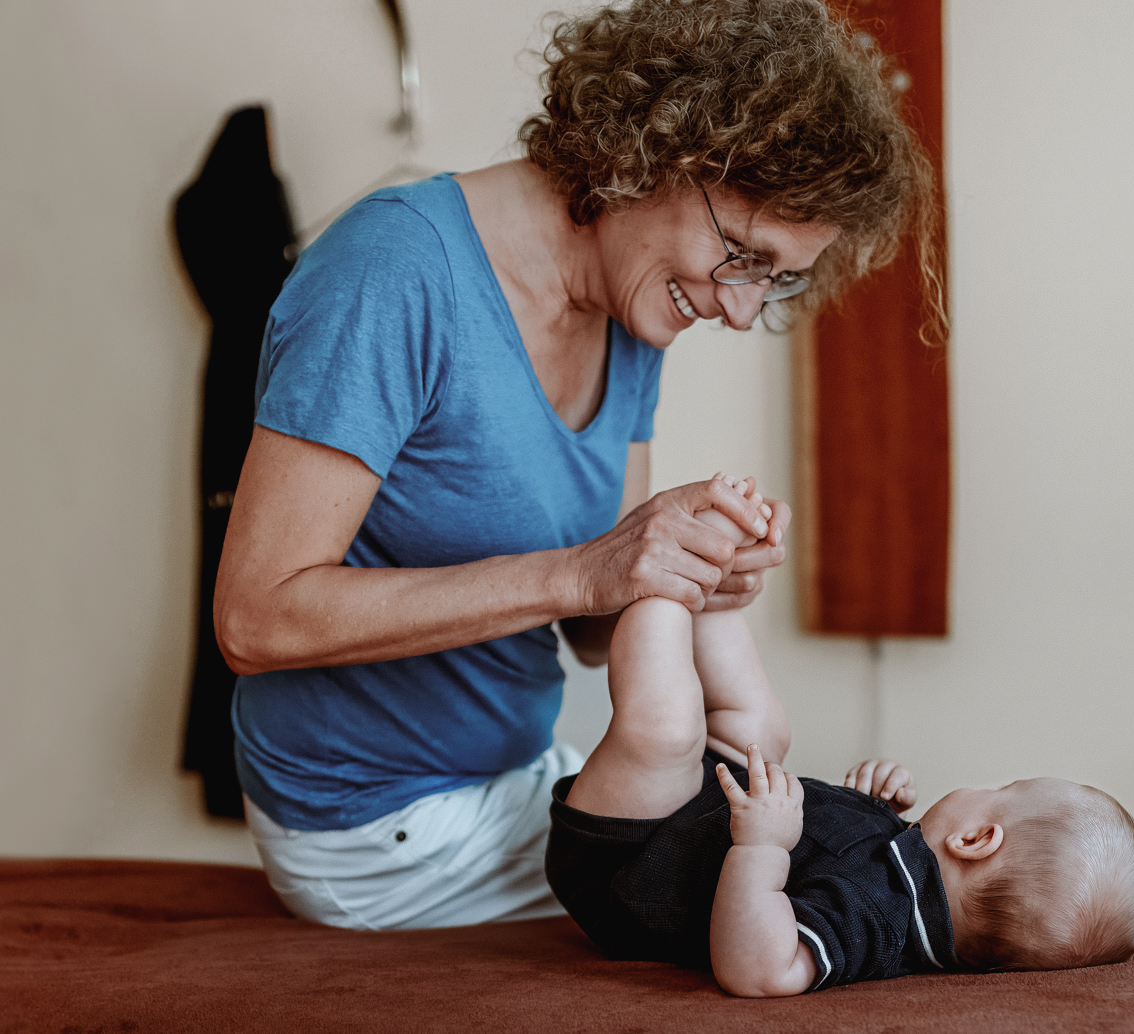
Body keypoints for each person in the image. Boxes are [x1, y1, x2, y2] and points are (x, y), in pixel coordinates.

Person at [214, 0, 939, 929]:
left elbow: (593, 629)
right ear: (661, 152)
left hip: (513, 781)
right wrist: (586, 568)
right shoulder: (393, 269)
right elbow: (254, 618)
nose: (742, 310)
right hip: (372, 831)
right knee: (792, 883)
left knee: (794, 848)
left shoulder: (634, 313)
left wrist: (692, 575)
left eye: (776, 278)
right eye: (742, 257)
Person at [547, 479, 1134, 995]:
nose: (983, 785)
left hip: (633, 864)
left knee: (666, 731)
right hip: (700, 812)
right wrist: (872, 807)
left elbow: (763, 970)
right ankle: (713, 586)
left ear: (975, 839)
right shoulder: (906, 873)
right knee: (765, 729)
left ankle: (667, 586)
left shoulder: (878, 922)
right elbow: (830, 855)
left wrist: (763, 847)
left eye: (1002, 787)